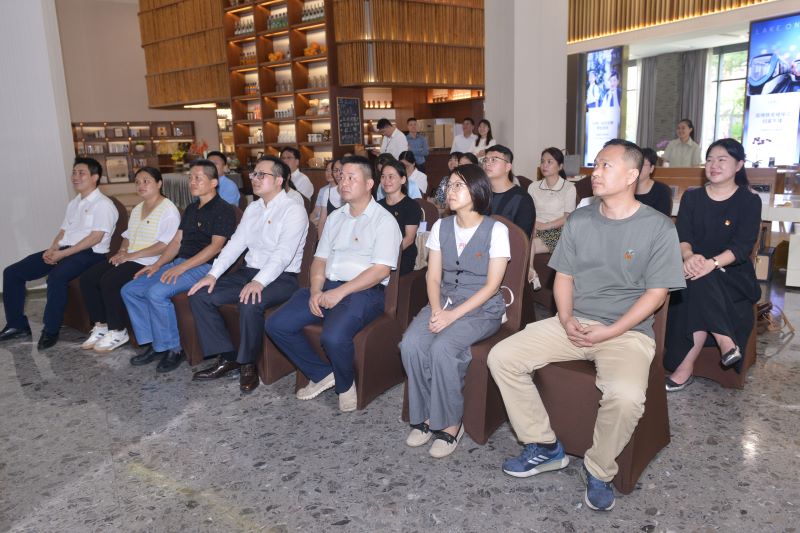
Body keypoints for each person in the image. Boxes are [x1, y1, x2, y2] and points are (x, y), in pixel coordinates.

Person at [487, 139, 685, 512]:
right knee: (502, 356)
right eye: (596, 164)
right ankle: (544, 445)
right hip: (574, 322)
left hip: (626, 332)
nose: (596, 172)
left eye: (607, 165)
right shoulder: (580, 219)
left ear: (632, 174)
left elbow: (656, 294)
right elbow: (563, 277)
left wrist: (611, 331)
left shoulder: (657, 227)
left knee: (625, 396)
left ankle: (598, 469)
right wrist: (565, 318)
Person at [265, 156, 402, 412]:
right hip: (328, 285)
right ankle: (322, 373)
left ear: (369, 184)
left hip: (365, 291)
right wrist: (316, 290)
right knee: (276, 324)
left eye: (351, 178)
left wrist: (340, 293)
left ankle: (346, 385)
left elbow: (381, 270)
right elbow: (319, 259)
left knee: (333, 336)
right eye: (342, 177)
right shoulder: (336, 218)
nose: (343, 183)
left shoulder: (384, 221)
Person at [400, 164, 509, 458]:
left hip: (482, 307)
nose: (450, 191)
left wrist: (451, 317)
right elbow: (433, 277)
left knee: (444, 348)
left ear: (477, 190)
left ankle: (450, 423)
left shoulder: (496, 230)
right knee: (411, 344)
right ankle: (424, 416)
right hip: (445, 300)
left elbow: (492, 286)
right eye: (449, 185)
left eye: (459, 185)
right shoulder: (441, 227)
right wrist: (437, 310)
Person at [187, 156, 308, 392]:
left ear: (279, 180)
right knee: (200, 294)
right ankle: (228, 357)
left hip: (282, 277)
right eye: (254, 174)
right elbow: (235, 245)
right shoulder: (253, 208)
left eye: (262, 174)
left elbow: (283, 255)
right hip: (248, 271)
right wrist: (213, 275)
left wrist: (259, 281)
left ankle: (248, 363)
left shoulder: (293, 210)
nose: (254, 178)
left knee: (250, 301)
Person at [664, 138, 761, 391]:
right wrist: (689, 256)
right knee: (698, 279)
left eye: (722, 160)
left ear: (739, 165)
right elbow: (683, 236)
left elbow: (742, 247)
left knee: (699, 280)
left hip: (733, 273)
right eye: (709, 160)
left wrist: (712, 263)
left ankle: (684, 368)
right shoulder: (692, 197)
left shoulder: (749, 201)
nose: (714, 165)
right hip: (694, 265)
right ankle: (725, 339)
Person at [121, 159, 236, 373]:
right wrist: (157, 265)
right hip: (179, 262)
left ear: (214, 182)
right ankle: (156, 344)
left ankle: (174, 348)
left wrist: (181, 268)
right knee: (131, 290)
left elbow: (215, 247)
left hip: (204, 267)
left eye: (198, 178)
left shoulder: (223, 209)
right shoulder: (192, 209)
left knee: (156, 293)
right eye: (190, 178)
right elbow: (176, 242)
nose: (192, 182)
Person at [0, 157, 118, 350]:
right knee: (12, 272)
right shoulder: (74, 203)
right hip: (66, 249)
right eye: (74, 172)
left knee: (56, 277)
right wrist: (53, 248)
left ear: (95, 177)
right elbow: (63, 231)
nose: (75, 177)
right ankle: (17, 325)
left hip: (90, 254)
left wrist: (63, 254)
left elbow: (95, 238)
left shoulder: (103, 204)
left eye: (81, 173)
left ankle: (51, 329)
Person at [79, 167, 180, 353]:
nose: (141, 185)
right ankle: (101, 326)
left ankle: (118, 331)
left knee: (109, 281)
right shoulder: (137, 208)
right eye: (138, 182)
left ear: (159, 183)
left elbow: (165, 245)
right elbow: (127, 236)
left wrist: (131, 255)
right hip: (131, 256)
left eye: (146, 181)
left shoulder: (169, 210)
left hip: (149, 260)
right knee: (88, 278)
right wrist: (122, 251)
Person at [528, 148, 576, 290]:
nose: (545, 165)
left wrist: (545, 226)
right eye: (542, 161)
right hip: (535, 227)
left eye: (550, 162)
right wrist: (533, 225)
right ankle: (531, 272)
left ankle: (530, 270)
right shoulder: (533, 187)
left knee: (529, 243)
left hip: (558, 231)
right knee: (521, 238)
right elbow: (529, 212)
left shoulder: (569, 188)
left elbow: (568, 217)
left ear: (560, 166)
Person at [377, 159, 421, 275]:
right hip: (377, 255)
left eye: (391, 176)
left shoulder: (411, 206)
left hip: (401, 255)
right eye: (383, 176)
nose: (386, 181)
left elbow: (409, 239)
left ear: (403, 179)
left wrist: (385, 255)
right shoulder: (377, 206)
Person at [482, 145, 535, 237]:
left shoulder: (522, 199)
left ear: (508, 167)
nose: (487, 164)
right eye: (485, 160)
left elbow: (521, 239)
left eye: (493, 160)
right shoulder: (481, 194)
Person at [635, 148, 673, 217]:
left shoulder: (662, 190)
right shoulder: (625, 189)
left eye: (643, 165)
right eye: (637, 164)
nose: (639, 168)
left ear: (651, 168)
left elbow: (663, 219)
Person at [315, 158, 343, 238]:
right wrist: (320, 242)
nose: (338, 174)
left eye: (340, 170)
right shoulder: (327, 191)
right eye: (335, 170)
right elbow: (322, 221)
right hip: (329, 235)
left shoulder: (352, 192)